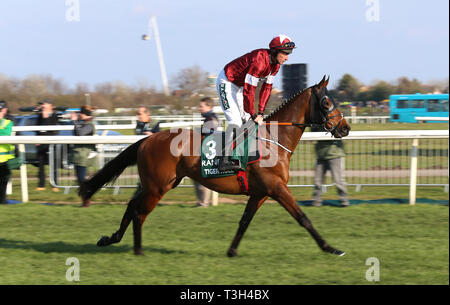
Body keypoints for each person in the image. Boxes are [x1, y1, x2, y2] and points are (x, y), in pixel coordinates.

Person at [216, 34, 295, 171]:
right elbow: (249, 90)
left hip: (239, 87)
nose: (287, 57)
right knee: (235, 121)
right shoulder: (259, 60)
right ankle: (224, 159)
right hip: (227, 82)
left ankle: (241, 155)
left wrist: (260, 112)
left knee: (247, 122)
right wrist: (253, 114)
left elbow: (266, 89)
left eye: (289, 53)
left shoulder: (275, 66)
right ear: (275, 51)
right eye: (285, 53)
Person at [311, 125, 350, 207]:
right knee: (317, 181)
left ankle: (344, 201)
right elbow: (312, 132)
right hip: (321, 154)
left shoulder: (335, 118)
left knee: (338, 180)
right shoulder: (316, 121)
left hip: (335, 154)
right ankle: (316, 202)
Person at [195, 97, 219, 207]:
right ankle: (202, 202)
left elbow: (208, 134)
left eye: (202, 106)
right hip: (206, 149)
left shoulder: (210, 118)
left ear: (209, 107)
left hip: (208, 150)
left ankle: (203, 203)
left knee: (201, 176)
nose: (199, 108)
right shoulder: (208, 118)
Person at [70, 105, 96, 207]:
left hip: (83, 155)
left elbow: (80, 133)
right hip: (79, 155)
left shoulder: (89, 124)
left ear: (83, 114)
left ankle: (87, 200)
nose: (78, 115)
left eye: (80, 113)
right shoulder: (84, 123)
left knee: (82, 179)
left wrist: (74, 121)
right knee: (80, 179)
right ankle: (85, 200)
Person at [35, 99, 59, 192]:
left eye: (45, 105)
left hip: (51, 142)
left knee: (53, 165)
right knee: (40, 165)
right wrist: (37, 139)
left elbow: (52, 128)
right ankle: (41, 185)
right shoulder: (40, 116)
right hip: (41, 143)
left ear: (50, 106)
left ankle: (54, 184)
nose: (44, 107)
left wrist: (46, 117)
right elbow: (37, 128)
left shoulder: (54, 115)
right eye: (43, 105)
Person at [0, 101, 14, 204]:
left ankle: (2, 201)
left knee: (4, 181)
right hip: (3, 158)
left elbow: (6, 133)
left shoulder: (8, 122)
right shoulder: (7, 123)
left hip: (4, 159)